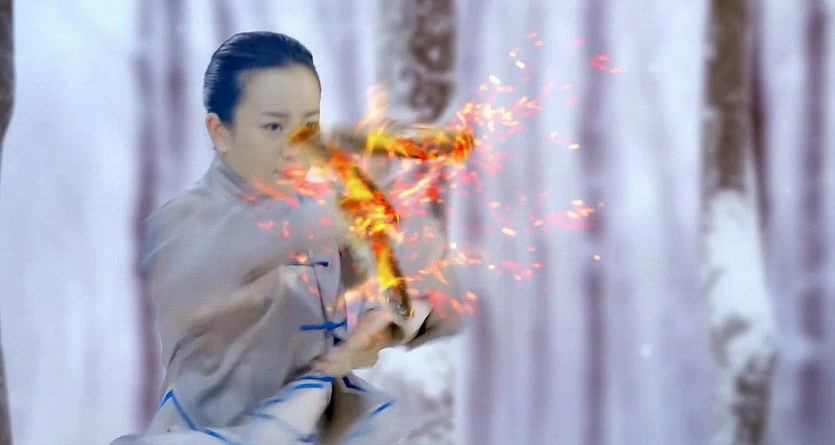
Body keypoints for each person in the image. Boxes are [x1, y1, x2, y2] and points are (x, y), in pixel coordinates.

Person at [112, 31, 460, 445]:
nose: (297, 147)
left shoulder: (318, 216)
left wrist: (391, 324)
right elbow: (240, 251)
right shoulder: (179, 226)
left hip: (322, 428)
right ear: (220, 132)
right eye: (274, 126)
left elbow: (439, 301)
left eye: (309, 126)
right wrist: (351, 207)